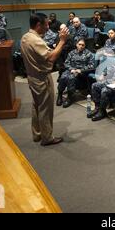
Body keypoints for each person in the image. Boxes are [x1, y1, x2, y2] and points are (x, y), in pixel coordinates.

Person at [20, 13, 70, 146]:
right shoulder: (35, 40)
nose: (48, 27)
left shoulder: (25, 37)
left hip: (32, 77)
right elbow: (52, 57)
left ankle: (37, 134)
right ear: (38, 25)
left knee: (36, 105)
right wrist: (62, 41)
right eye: (46, 24)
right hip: (41, 78)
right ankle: (47, 137)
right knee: (45, 108)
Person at [57, 39, 95, 108]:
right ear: (76, 45)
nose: (81, 46)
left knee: (71, 78)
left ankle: (70, 97)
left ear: (85, 46)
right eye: (79, 44)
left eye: (82, 45)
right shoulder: (72, 52)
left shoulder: (88, 54)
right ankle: (60, 95)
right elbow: (66, 63)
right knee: (63, 77)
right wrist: (71, 69)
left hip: (81, 73)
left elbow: (91, 66)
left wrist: (80, 70)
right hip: (71, 70)